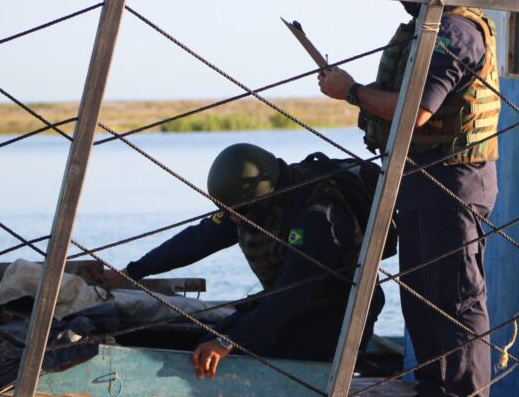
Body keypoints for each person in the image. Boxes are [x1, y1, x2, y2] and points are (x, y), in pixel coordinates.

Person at [318, 0, 500, 397]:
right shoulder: (433, 27)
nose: (400, 0)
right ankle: (434, 392)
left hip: (454, 182)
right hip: (422, 179)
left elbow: (417, 112)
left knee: (457, 296)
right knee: (421, 292)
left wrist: (352, 92)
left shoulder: (456, 33)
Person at [118, 143, 386, 380]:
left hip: (334, 320)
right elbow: (199, 238)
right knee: (203, 341)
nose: (234, 219)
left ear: (264, 195)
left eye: (240, 212)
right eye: (227, 212)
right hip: (293, 311)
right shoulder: (250, 204)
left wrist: (227, 342)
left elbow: (290, 296)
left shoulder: (317, 217)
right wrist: (133, 271)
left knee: (230, 356)